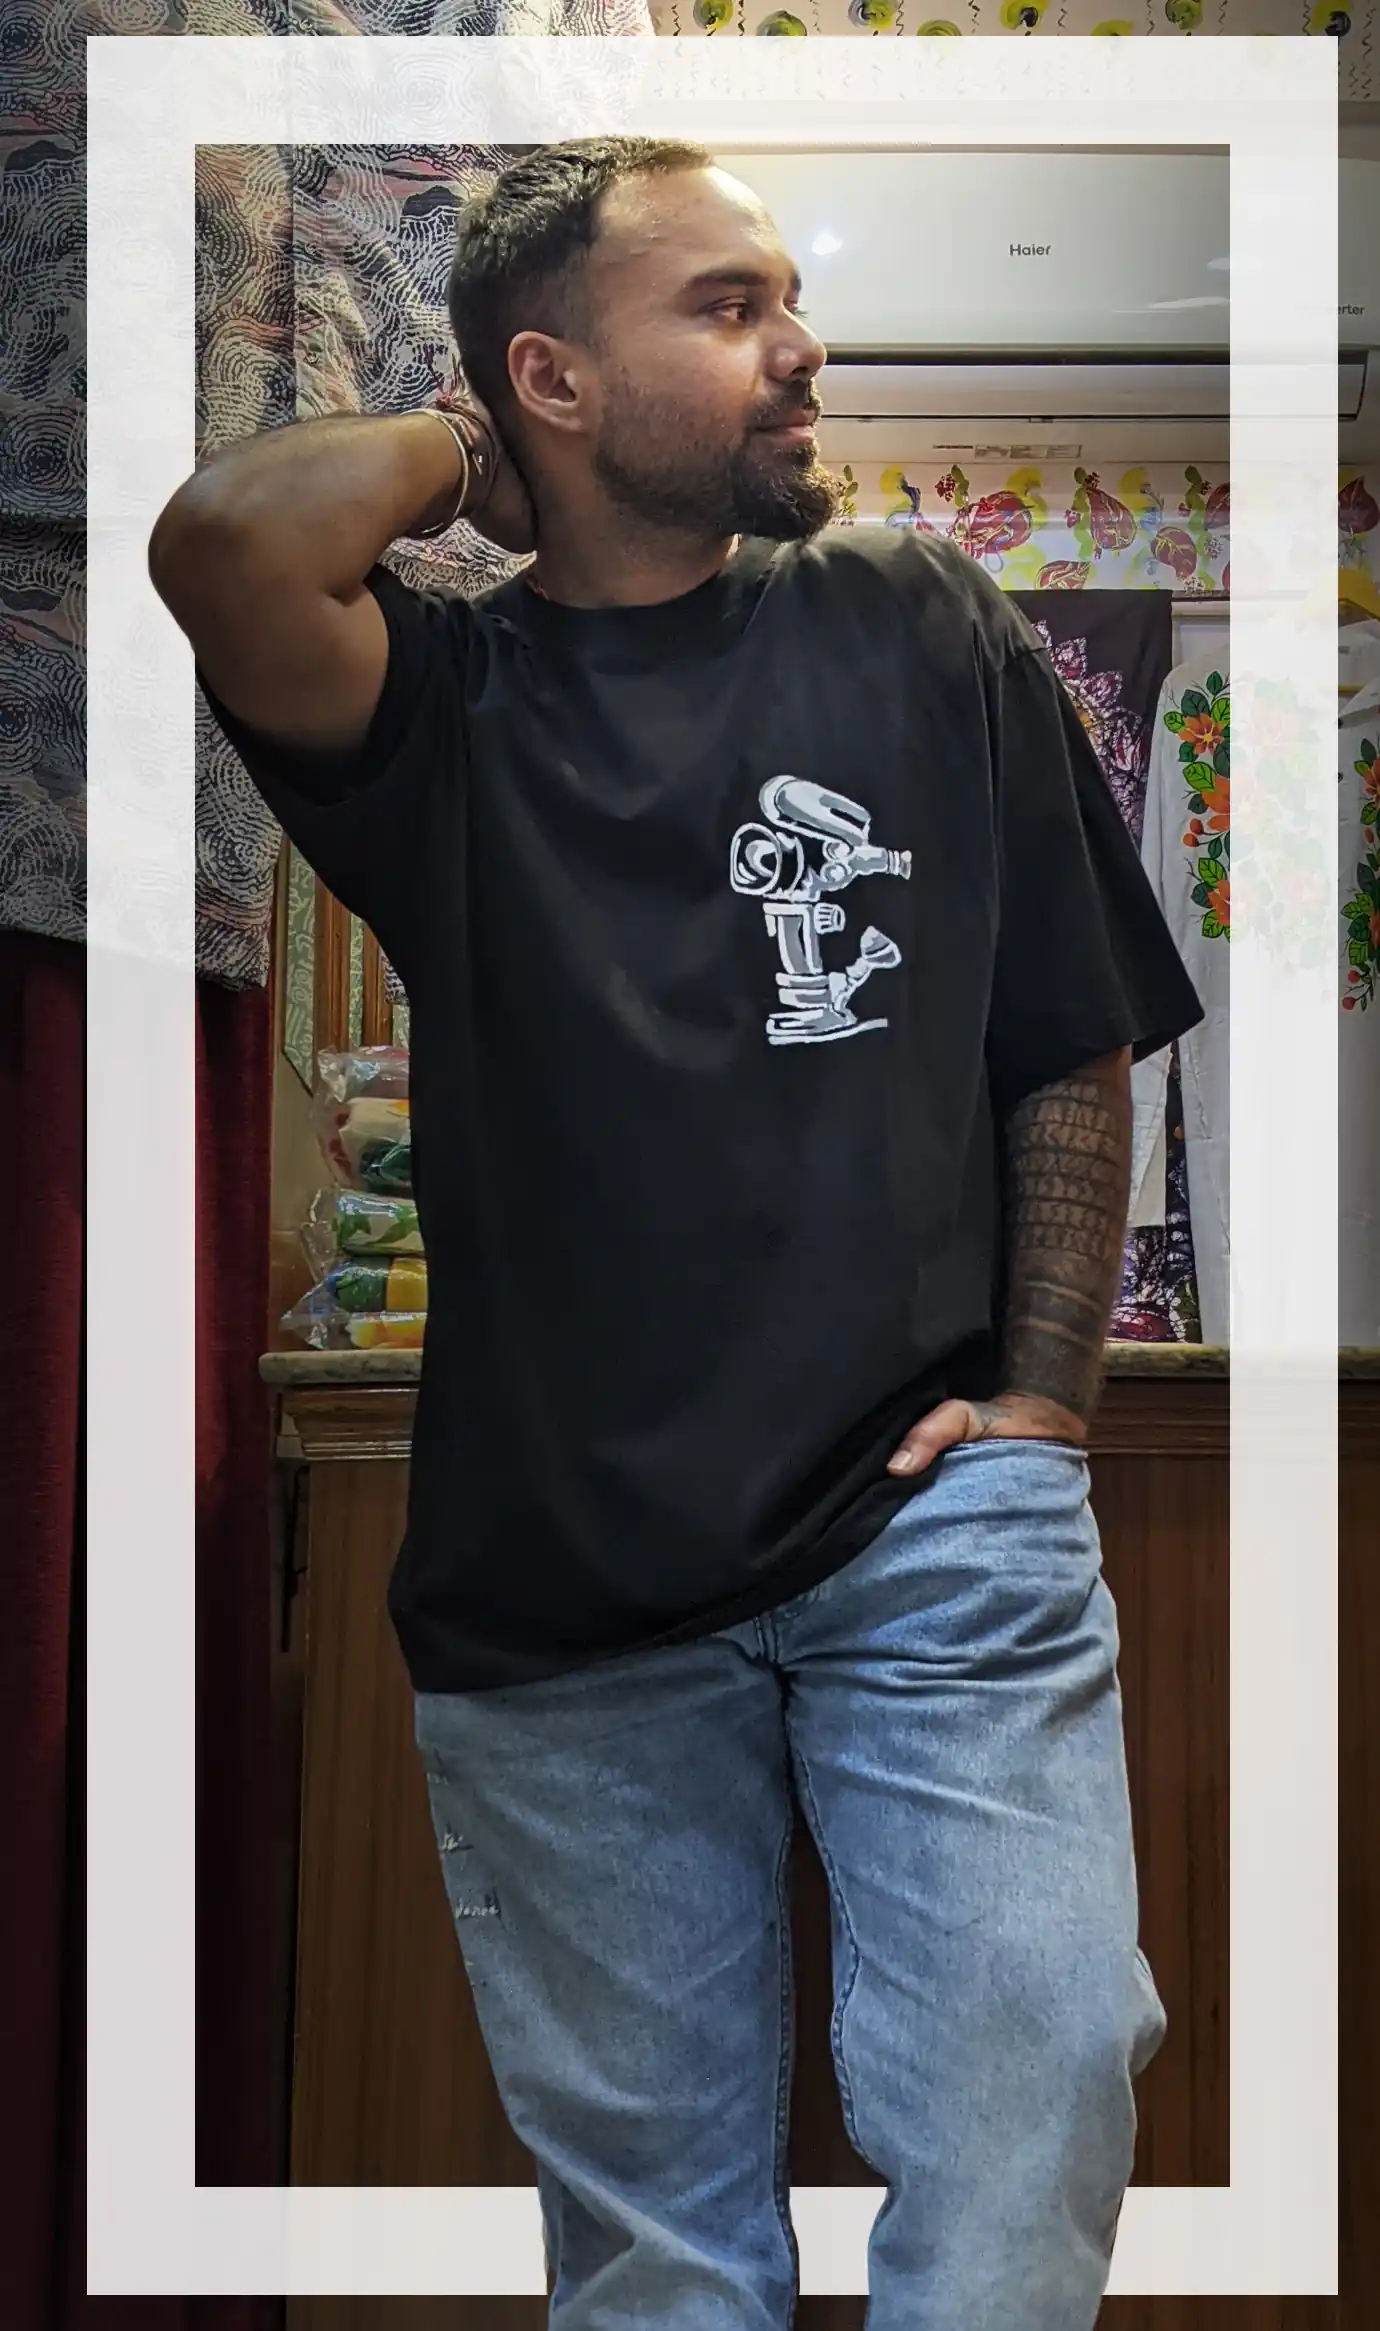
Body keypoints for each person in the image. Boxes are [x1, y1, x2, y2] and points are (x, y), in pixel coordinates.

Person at [151, 136, 1201, 2331]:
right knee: (659, 2255)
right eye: (725, 307)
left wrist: (1042, 1403)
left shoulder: (926, 622)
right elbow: (230, 541)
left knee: (1037, 2111)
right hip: (566, 1590)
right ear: (552, 376)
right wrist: (473, 450)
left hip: (935, 1528)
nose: (800, 345)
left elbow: (1067, 1038)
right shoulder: (443, 711)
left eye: (788, 295)